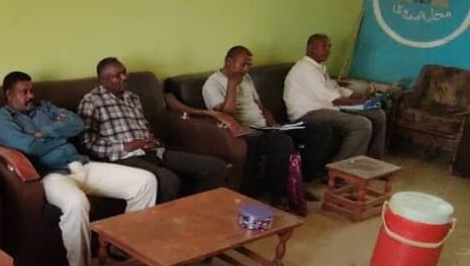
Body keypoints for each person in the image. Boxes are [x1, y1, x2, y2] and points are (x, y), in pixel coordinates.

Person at [0, 71, 157, 266]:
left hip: (82, 164)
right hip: (52, 175)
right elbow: (28, 146)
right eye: (24, 92)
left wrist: (44, 133)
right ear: (9, 95)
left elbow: (77, 124)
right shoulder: (1, 119)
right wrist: (59, 134)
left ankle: (123, 246)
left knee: (146, 181)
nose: (31, 96)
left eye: (31, 90)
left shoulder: (44, 107)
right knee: (76, 203)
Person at [79, 57, 230, 203]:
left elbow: (142, 127)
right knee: (168, 180)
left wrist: (150, 139)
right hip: (124, 157)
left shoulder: (132, 97)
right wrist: (128, 145)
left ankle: (197, 211)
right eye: (116, 76)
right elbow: (87, 144)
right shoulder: (91, 101)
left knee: (215, 166)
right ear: (103, 80)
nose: (124, 78)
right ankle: (164, 219)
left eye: (124, 72)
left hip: (154, 151)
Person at [202, 46, 328, 207]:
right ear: (229, 61)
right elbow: (226, 113)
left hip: (265, 127)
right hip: (246, 132)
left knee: (319, 132)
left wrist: (274, 124)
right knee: (282, 142)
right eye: (243, 64)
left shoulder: (246, 78)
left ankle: (298, 182)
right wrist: (232, 84)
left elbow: (260, 106)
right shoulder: (212, 84)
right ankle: (279, 194)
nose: (246, 69)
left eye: (249, 65)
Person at [284, 33, 387, 162]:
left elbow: (334, 88)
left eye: (329, 47)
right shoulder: (304, 69)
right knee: (361, 124)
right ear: (310, 48)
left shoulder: (319, 68)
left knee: (377, 114)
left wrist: (351, 94)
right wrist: (353, 102)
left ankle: (372, 161)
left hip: (327, 108)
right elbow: (329, 96)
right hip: (308, 113)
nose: (328, 51)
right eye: (324, 46)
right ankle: (340, 168)